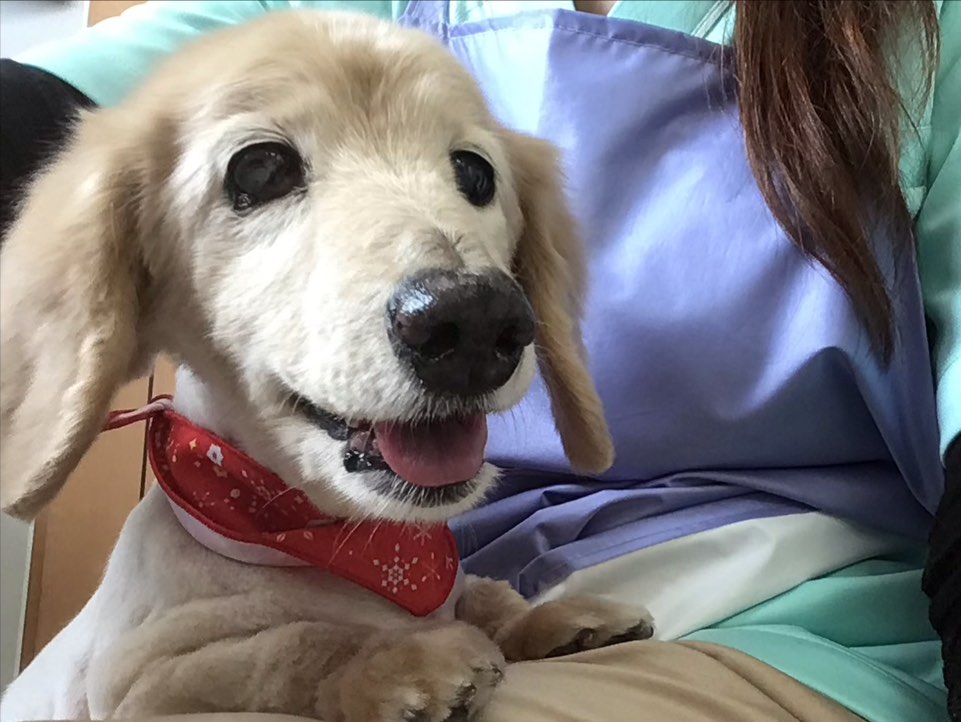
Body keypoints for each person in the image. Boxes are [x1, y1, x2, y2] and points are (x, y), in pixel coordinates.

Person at [0, 1, 957, 720]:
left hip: (781, 610)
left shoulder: (925, 30)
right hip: (485, 569)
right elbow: (39, 113)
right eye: (262, 170)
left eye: (470, 173)